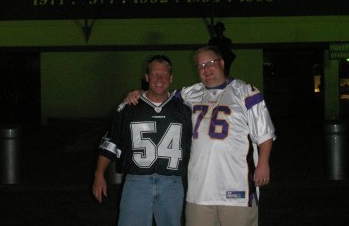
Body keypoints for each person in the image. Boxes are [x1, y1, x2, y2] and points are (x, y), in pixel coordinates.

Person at [126, 46, 276, 226]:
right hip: (199, 192)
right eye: (201, 66)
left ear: (221, 63)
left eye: (210, 63)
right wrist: (142, 93)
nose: (206, 69)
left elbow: (264, 133)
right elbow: (161, 97)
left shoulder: (246, 92)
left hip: (237, 189)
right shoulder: (190, 93)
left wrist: (263, 164)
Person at [92, 55, 192, 226]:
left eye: (164, 74)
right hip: (137, 181)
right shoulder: (128, 108)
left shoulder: (184, 110)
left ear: (171, 78)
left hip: (172, 183)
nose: (159, 79)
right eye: (154, 74)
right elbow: (111, 142)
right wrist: (99, 174)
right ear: (146, 77)